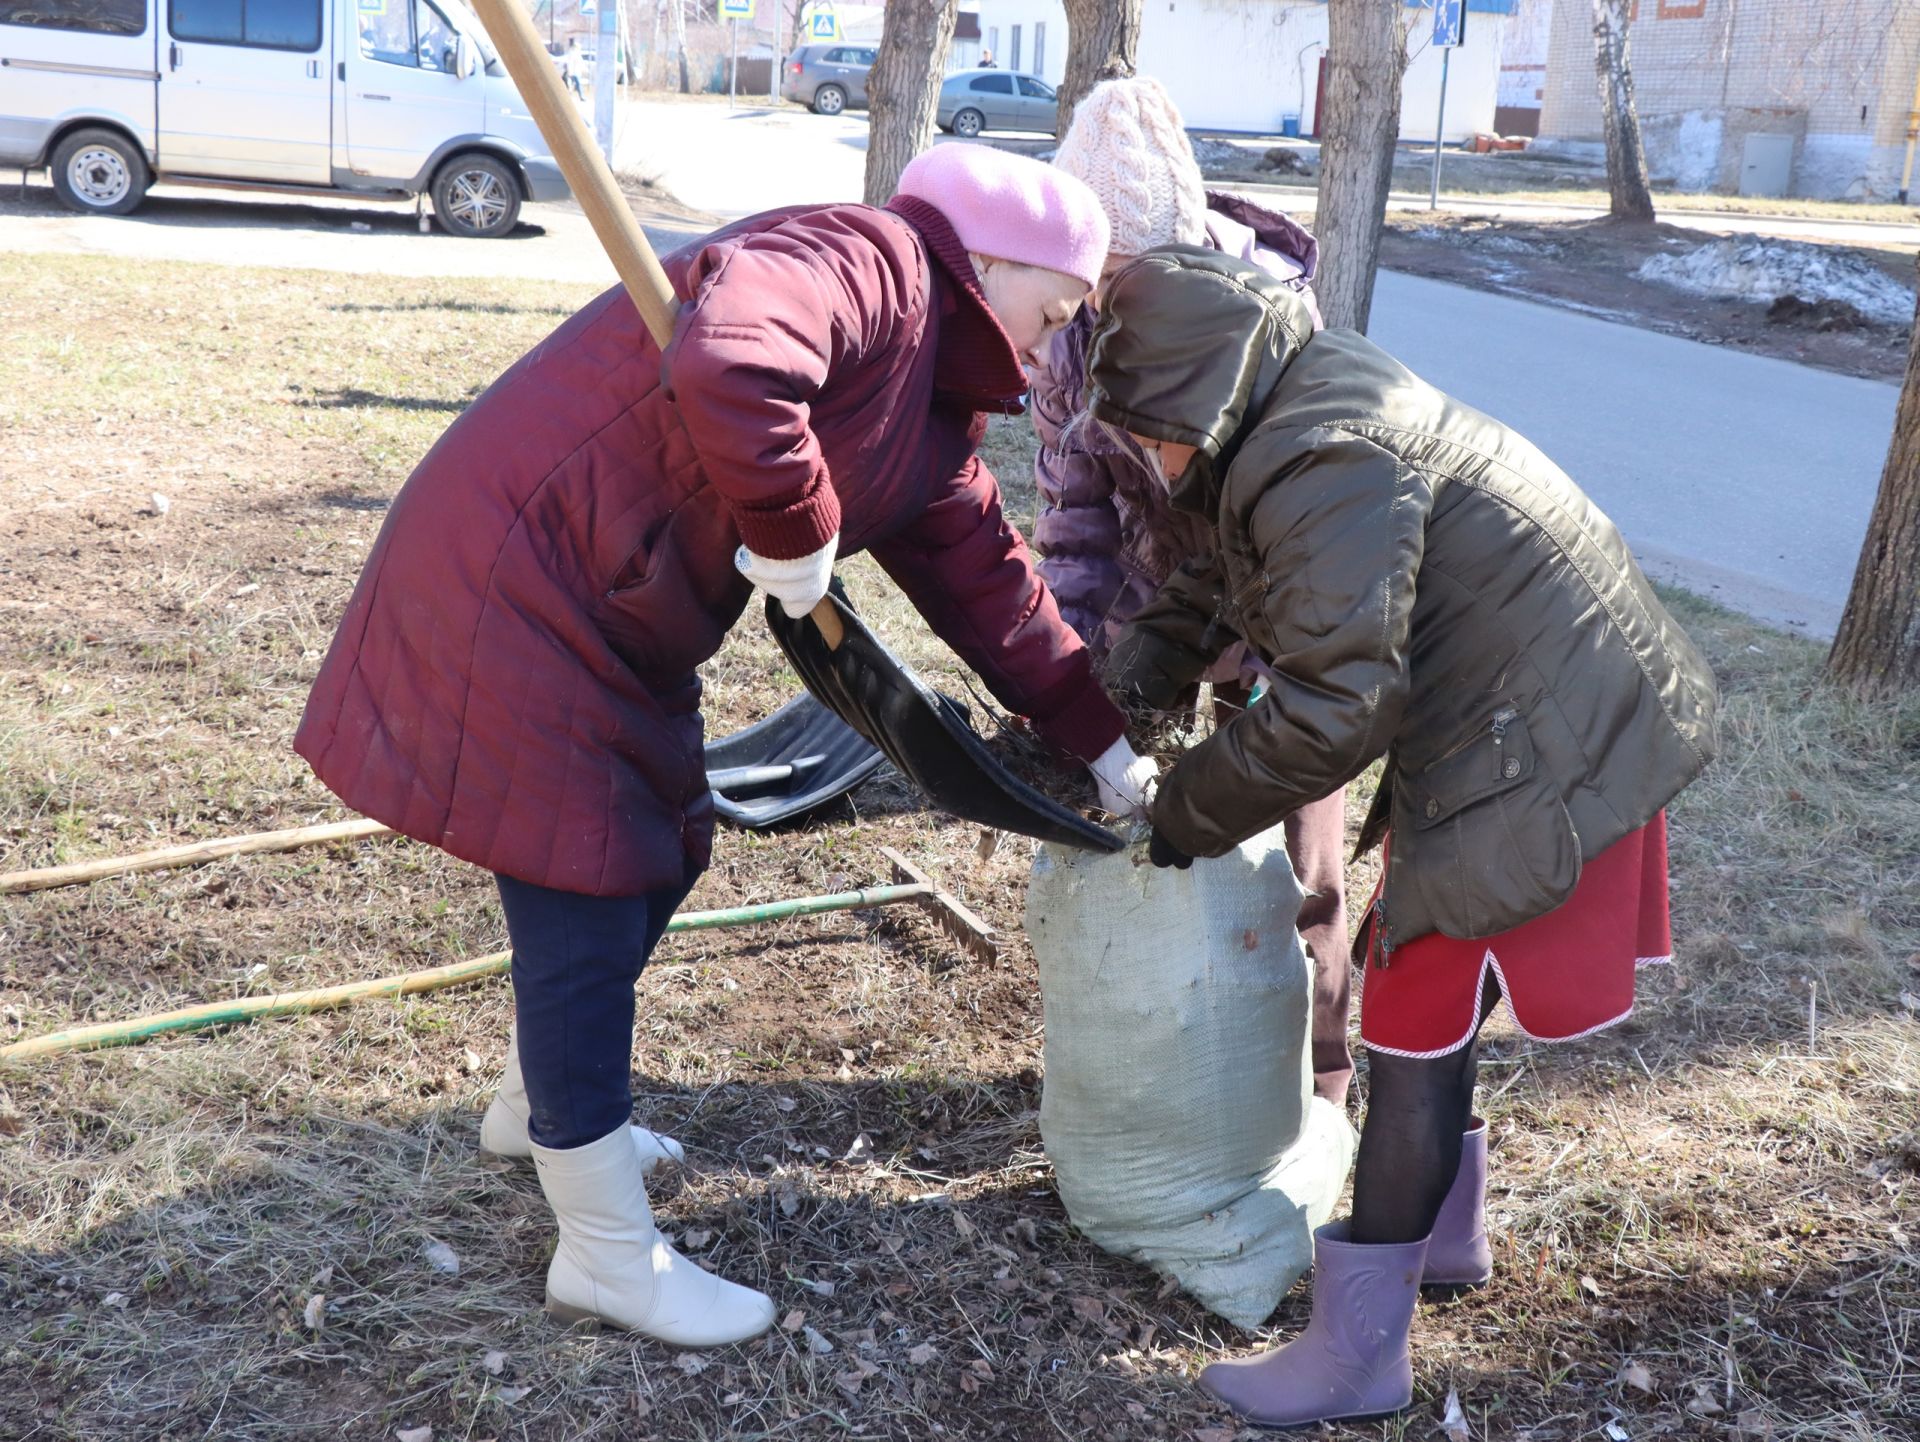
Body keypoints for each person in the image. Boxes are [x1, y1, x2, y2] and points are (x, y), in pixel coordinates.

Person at [295, 144, 1157, 1349]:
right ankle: (604, 1249)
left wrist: (1107, 747)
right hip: (525, 572)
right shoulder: (872, 263)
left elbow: (993, 590)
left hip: (615, 611)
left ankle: (539, 1107)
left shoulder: (927, 414)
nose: (1053, 341)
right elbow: (736, 355)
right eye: (1054, 308)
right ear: (997, 262)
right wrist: (800, 528)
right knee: (585, 883)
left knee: (663, 844)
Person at [1082, 248, 1718, 1428]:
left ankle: (1355, 1357)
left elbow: (1335, 706)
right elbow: (1224, 569)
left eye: (1155, 432)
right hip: (1545, 710)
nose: (1151, 458)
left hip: (1547, 742)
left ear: (1204, 396)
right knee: (1435, 1001)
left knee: (1414, 1023)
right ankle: (1448, 1234)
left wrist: (1182, 812)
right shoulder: (1290, 404)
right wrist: (1126, 688)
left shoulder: (1318, 451)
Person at [1030, 76, 1354, 1106]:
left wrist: (1273, 671)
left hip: (1276, 609)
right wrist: (1086, 684)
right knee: (1145, 837)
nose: (1118, 303)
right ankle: (1177, 1050)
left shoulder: (1268, 310)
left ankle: (1318, 1076)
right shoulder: (1068, 340)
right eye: (1102, 279)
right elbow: (1074, 515)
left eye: (1139, 273)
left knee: (1302, 855)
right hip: (1150, 610)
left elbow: (1309, 506)